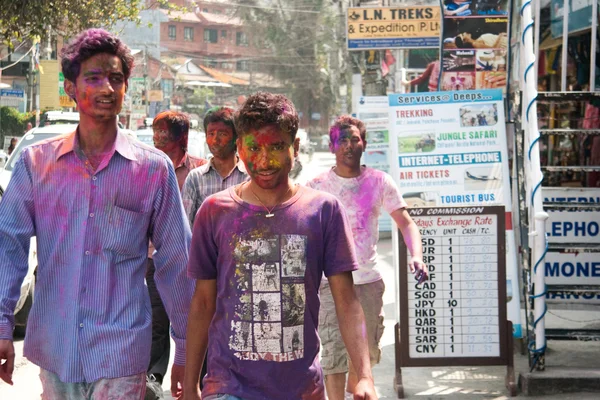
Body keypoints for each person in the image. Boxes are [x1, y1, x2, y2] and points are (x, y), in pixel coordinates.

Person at [0, 29, 194, 399]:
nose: (107, 88)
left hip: (121, 353)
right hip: (56, 351)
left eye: (116, 79)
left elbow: (175, 261)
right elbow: (8, 246)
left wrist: (184, 346)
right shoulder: (37, 165)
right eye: (94, 78)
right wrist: (2, 325)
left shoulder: (152, 170)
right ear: (71, 87)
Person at [183, 92, 377, 400]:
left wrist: (365, 376)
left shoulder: (323, 211)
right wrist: (190, 381)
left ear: (295, 147)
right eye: (253, 147)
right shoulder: (214, 211)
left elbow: (346, 300)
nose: (264, 160)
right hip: (227, 386)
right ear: (240, 148)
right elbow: (203, 302)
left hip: (300, 388)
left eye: (276, 146)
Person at [307, 116, 428, 400]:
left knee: (367, 355)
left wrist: (417, 256)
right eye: (342, 141)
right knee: (333, 352)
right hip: (329, 284)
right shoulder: (317, 185)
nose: (348, 146)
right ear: (332, 145)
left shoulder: (379, 181)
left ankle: (358, 387)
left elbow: (406, 223)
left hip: (368, 282)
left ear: (364, 144)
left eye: (354, 140)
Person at [145, 111, 206, 399]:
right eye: (155, 131)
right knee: (156, 320)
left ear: (182, 137)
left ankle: (195, 372)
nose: (157, 137)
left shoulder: (198, 170)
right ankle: (153, 378)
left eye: (163, 131)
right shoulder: (145, 167)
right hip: (151, 256)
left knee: (190, 317)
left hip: (189, 260)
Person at [182, 106, 247, 229]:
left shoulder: (248, 177)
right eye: (211, 134)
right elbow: (185, 227)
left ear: (236, 139)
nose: (215, 140)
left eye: (222, 134)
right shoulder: (195, 178)